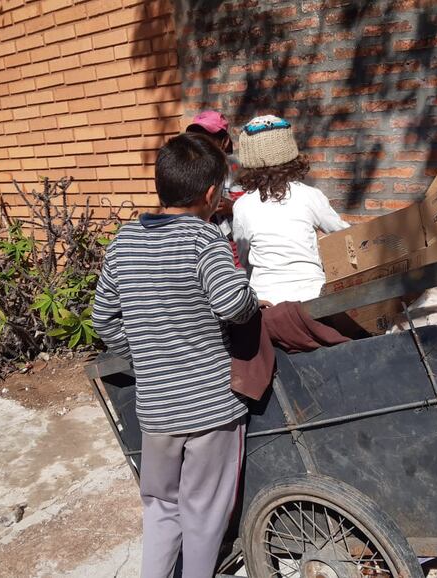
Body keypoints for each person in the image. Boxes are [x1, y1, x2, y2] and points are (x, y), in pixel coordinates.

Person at [92, 133, 262, 578]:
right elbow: (232, 304)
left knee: (161, 506)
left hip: (157, 410)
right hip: (211, 406)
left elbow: (103, 319)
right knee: (203, 514)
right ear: (211, 194)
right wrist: (250, 295)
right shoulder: (203, 240)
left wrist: (144, 356)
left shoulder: (123, 243)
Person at [232, 115, 350, 304]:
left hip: (266, 304)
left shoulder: (241, 206)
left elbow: (244, 258)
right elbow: (345, 235)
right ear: (290, 153)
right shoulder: (310, 196)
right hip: (312, 299)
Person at [185, 111, 244, 255]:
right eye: (197, 139)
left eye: (209, 139)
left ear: (225, 142)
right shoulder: (188, 168)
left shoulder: (239, 168)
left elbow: (259, 208)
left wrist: (232, 207)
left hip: (235, 243)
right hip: (201, 243)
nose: (202, 145)